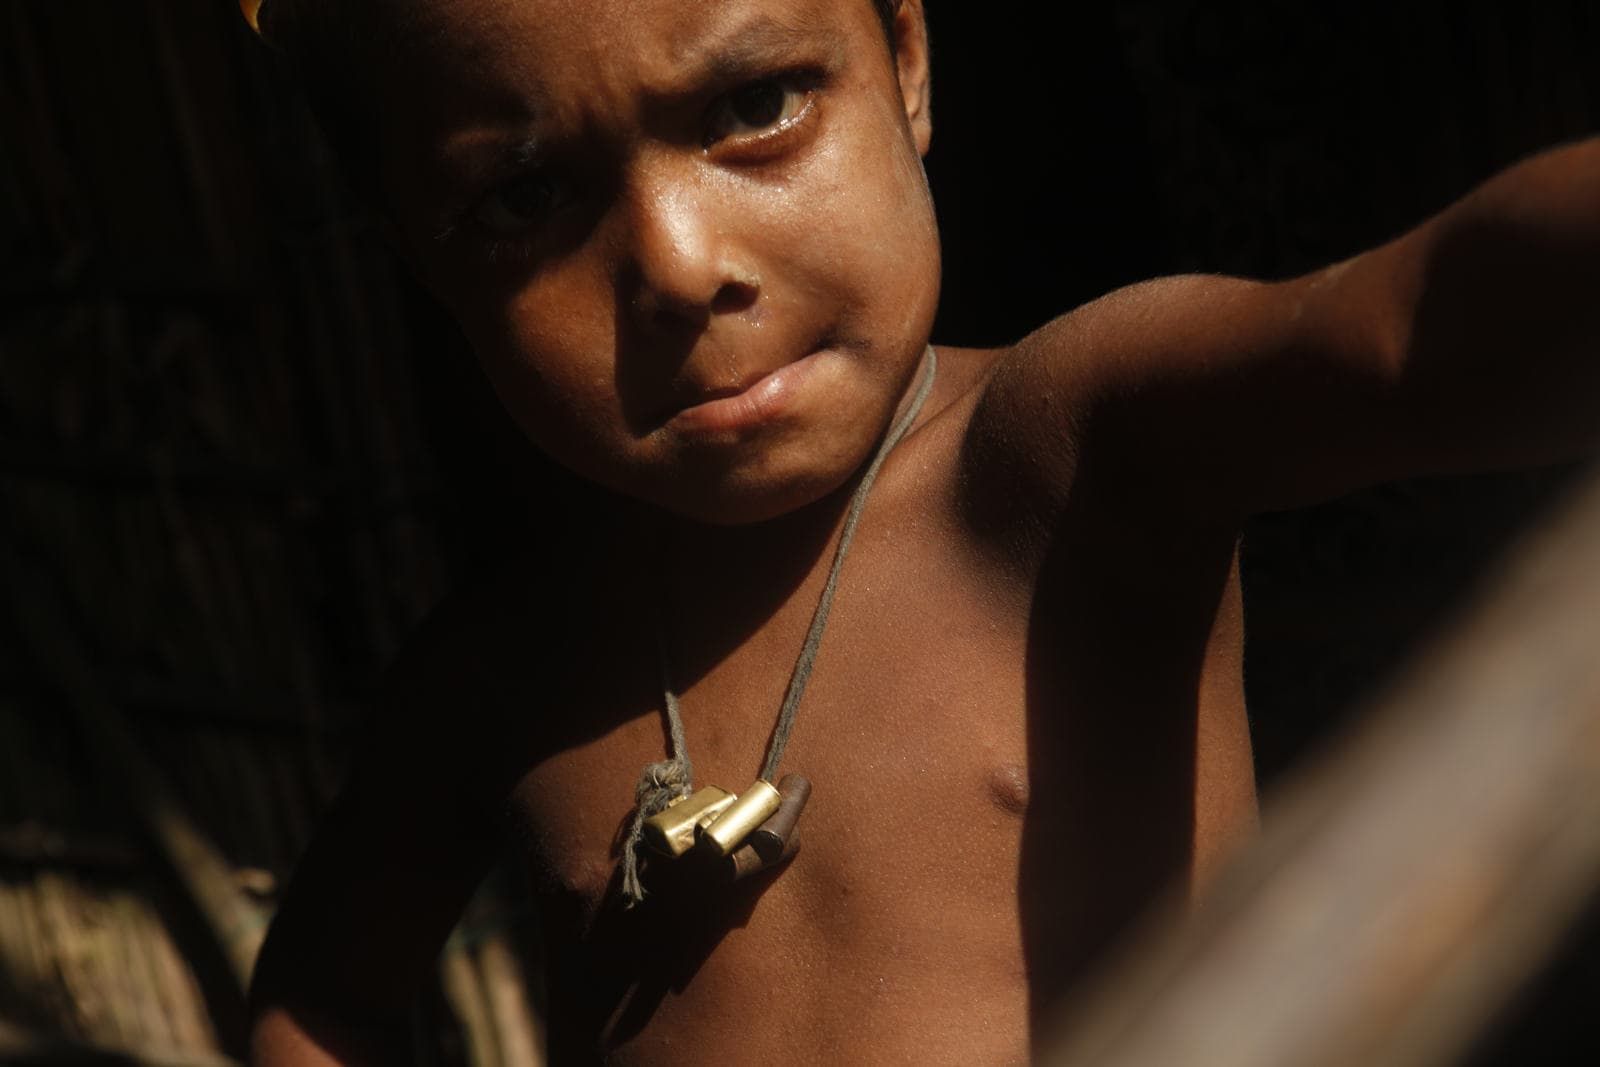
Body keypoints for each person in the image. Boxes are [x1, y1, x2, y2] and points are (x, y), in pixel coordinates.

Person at [241, 0, 1600, 1062]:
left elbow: (1414, 328)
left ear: (906, 64)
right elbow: (321, 996)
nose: (676, 262)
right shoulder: (505, 671)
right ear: (420, 256)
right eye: (526, 196)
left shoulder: (1059, 459)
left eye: (753, 105)